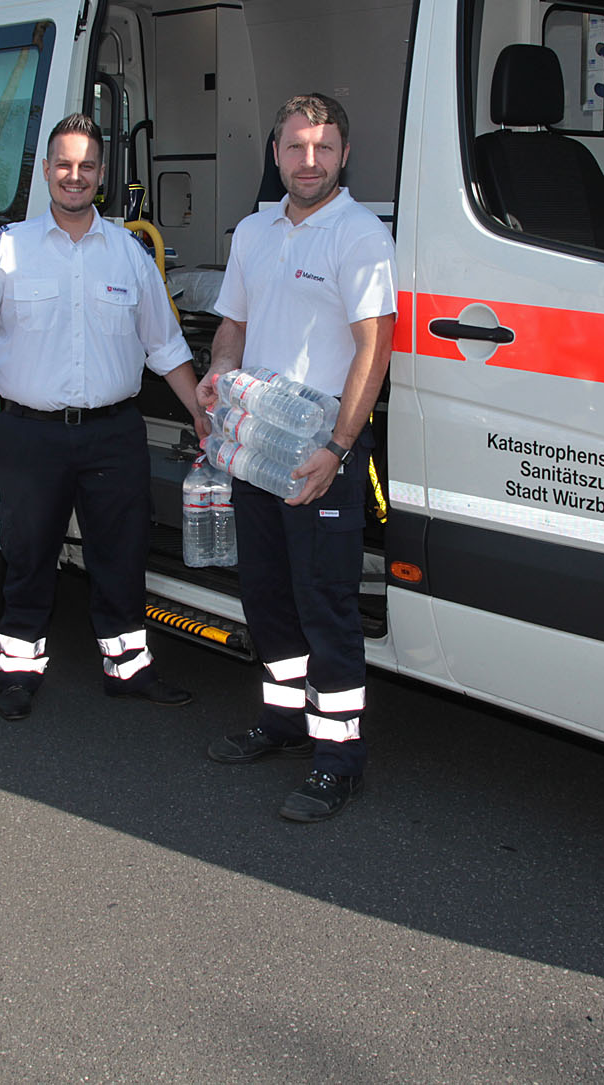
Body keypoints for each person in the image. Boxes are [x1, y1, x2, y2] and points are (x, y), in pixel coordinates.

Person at [0, 114, 211, 721]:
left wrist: (200, 412)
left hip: (113, 433)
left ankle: (127, 668)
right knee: (28, 553)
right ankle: (18, 669)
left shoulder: (129, 255)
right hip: (30, 434)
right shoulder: (9, 250)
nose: (74, 175)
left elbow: (165, 347)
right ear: (46, 171)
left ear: (102, 174)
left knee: (122, 553)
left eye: (86, 165)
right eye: (64, 164)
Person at [198, 93, 396, 823]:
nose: (309, 161)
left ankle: (339, 758)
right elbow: (234, 324)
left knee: (325, 603)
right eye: (295, 146)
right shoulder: (254, 231)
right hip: (259, 439)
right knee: (267, 595)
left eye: (323, 147)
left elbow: (375, 347)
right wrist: (219, 375)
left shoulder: (360, 234)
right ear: (276, 153)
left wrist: (337, 447)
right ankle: (283, 721)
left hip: (322, 447)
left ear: (344, 154)